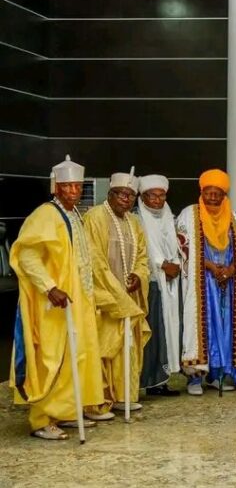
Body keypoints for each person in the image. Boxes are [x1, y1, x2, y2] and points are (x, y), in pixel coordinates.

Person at [9, 155, 105, 440]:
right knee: (52, 357)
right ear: (56, 187)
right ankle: (41, 419)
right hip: (52, 303)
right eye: (68, 187)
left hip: (78, 301)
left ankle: (66, 410)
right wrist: (50, 287)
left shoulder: (76, 215)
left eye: (77, 186)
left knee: (78, 355)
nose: (73, 191)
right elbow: (27, 255)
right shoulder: (45, 215)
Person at [176, 169, 236, 395]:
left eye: (218, 193)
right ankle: (194, 378)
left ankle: (217, 375)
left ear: (224, 195)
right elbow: (182, 250)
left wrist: (231, 269)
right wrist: (211, 267)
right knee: (202, 326)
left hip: (229, 284)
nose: (213, 197)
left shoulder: (234, 219)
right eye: (209, 192)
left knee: (225, 328)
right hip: (202, 281)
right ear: (201, 192)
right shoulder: (189, 215)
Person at [83, 169, 151, 415]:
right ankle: (97, 401)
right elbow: (94, 261)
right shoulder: (95, 217)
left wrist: (138, 276)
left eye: (131, 195)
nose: (126, 199)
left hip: (128, 297)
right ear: (110, 194)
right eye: (121, 193)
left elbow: (142, 258)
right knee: (102, 348)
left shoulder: (134, 223)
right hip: (104, 298)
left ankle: (122, 396)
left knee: (126, 348)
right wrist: (115, 292)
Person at [136, 175, 182, 398]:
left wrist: (175, 263)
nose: (157, 200)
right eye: (152, 195)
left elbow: (176, 246)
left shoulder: (168, 216)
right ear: (142, 196)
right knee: (152, 335)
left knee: (167, 332)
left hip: (170, 283)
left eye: (161, 195)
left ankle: (161, 381)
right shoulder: (136, 218)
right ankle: (148, 381)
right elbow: (141, 249)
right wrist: (162, 264)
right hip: (150, 284)